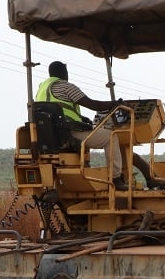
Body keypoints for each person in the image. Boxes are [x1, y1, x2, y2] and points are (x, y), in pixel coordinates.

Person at [36, 61, 143, 191]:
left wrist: (81, 119)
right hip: (69, 133)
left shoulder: (42, 88)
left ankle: (84, 173)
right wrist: (115, 104)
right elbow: (93, 105)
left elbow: (59, 112)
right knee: (110, 137)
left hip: (49, 137)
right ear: (63, 73)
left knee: (91, 135)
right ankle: (116, 178)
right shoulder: (66, 86)